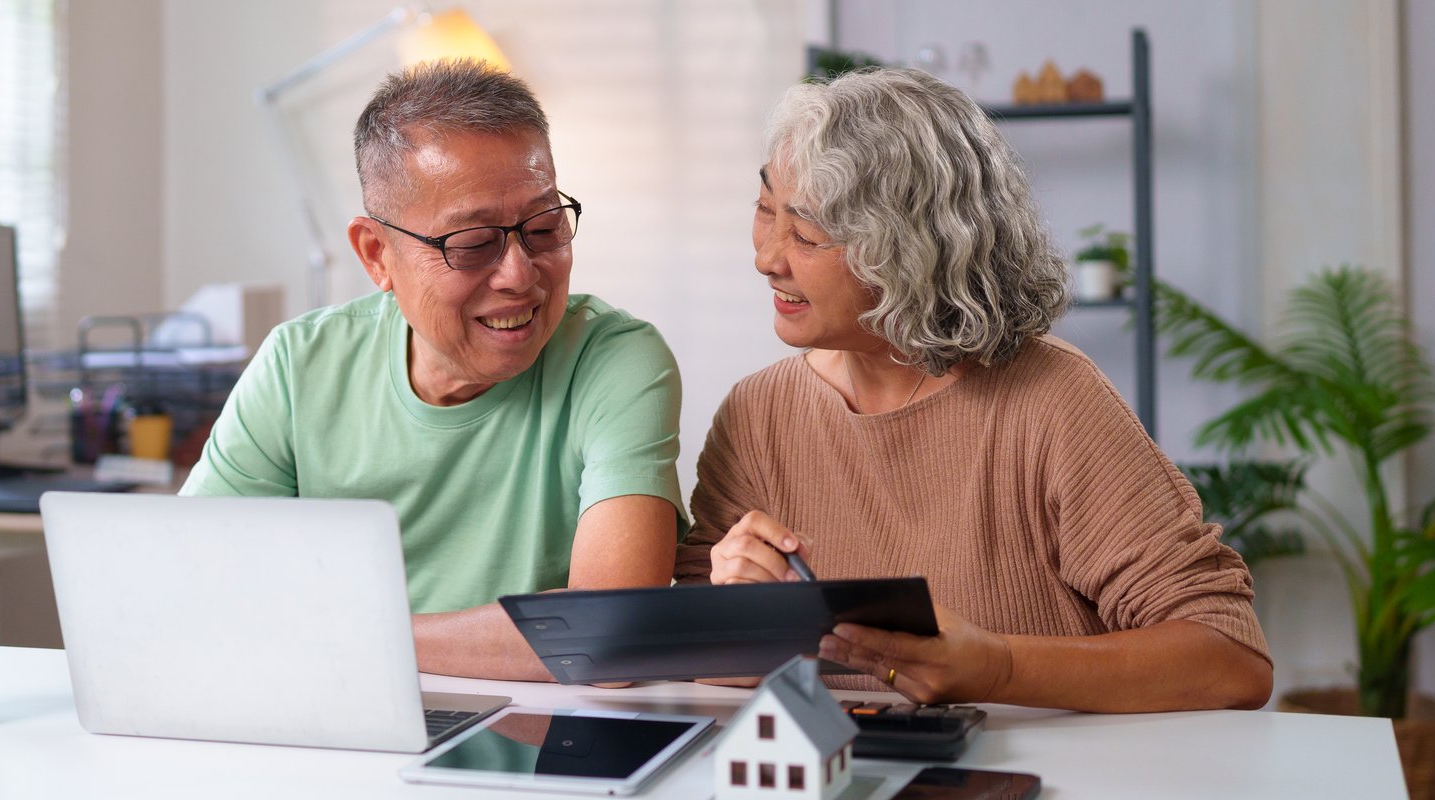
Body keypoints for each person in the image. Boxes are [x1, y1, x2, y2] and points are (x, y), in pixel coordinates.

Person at [676, 67, 1272, 712]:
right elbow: (687, 659)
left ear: (911, 251)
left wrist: (999, 668)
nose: (768, 256)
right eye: (766, 211)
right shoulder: (758, 413)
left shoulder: (1052, 400)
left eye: (808, 235)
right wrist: (734, 615)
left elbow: (1230, 659)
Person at [184, 60, 684, 681]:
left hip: (542, 770)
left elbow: (611, 631)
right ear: (377, 254)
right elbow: (195, 594)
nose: (519, 274)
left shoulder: (613, 359)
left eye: (544, 227)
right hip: (337, 758)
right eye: (472, 244)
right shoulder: (298, 366)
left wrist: (336, 632)